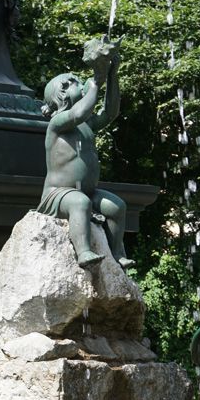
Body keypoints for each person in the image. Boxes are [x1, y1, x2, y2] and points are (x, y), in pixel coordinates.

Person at [39, 37, 129, 270]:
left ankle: (118, 252)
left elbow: (110, 112)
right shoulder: (58, 123)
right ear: (63, 92)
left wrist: (111, 75)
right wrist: (96, 84)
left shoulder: (86, 124)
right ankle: (84, 251)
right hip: (58, 195)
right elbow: (78, 113)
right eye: (77, 82)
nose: (84, 83)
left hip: (89, 191)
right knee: (80, 202)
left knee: (117, 206)